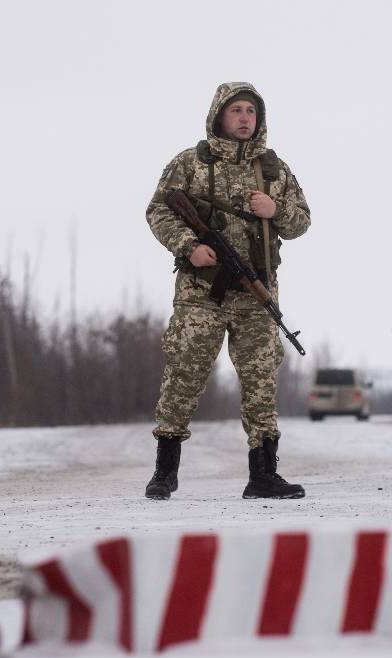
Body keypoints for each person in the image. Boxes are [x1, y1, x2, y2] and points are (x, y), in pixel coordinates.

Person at [144, 82, 311, 500]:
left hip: (256, 293)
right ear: (219, 114)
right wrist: (189, 247)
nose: (243, 118)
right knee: (184, 372)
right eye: (235, 109)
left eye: (250, 111)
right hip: (201, 293)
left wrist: (277, 210)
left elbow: (302, 221)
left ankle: (263, 475)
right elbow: (158, 209)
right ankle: (165, 471)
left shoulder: (274, 170)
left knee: (260, 381)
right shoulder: (190, 163)